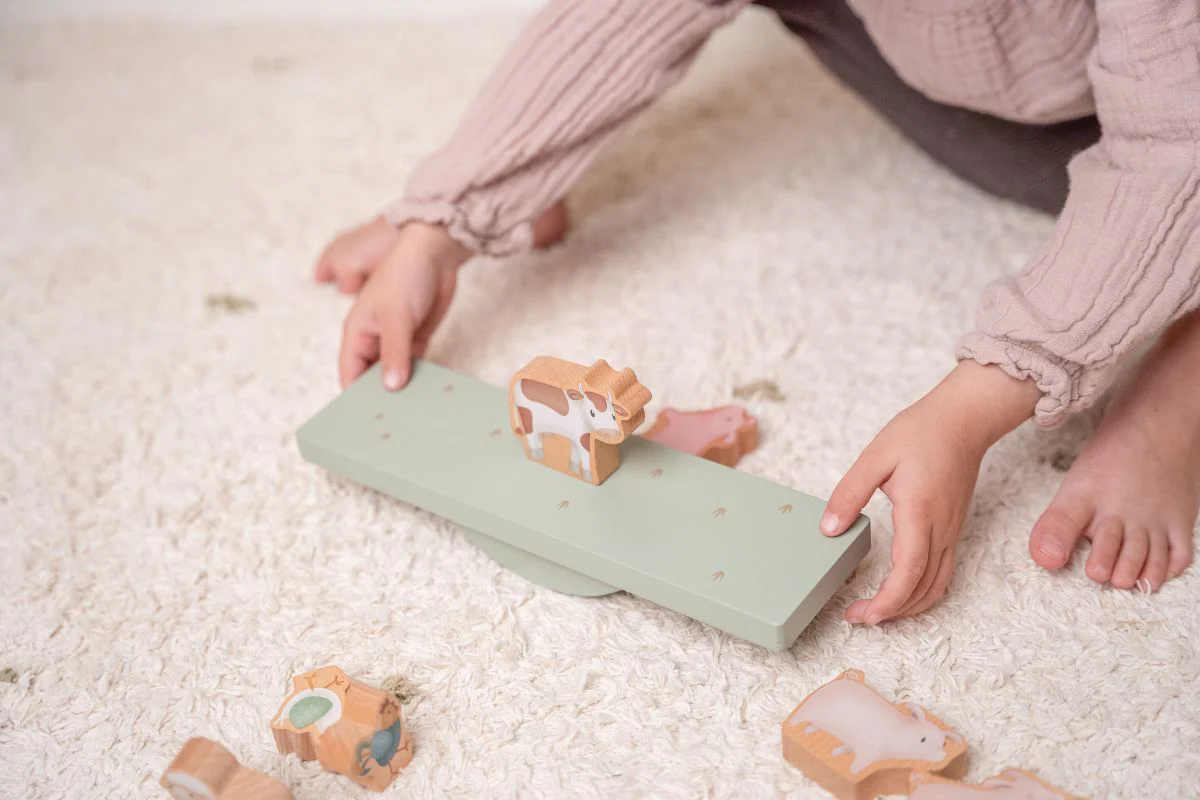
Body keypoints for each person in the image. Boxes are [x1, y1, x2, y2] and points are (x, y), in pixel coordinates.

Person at [314, 0, 1199, 624]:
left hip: (1147, 107)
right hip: (946, 59)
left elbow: (1176, 148)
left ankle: (1178, 391)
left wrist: (976, 403)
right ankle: (516, 175)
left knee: (1172, 220)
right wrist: (446, 218)